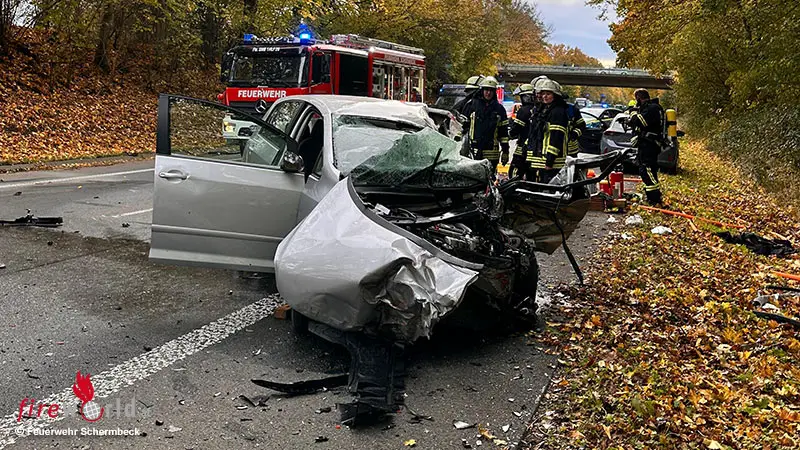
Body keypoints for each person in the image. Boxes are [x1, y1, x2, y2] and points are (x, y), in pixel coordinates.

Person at [524, 79, 569, 184]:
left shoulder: (558, 112)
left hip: (552, 163)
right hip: (539, 161)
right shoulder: (543, 110)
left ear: (555, 95)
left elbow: (556, 138)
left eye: (548, 94)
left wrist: (550, 161)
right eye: (543, 93)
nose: (544, 96)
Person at [462, 76, 509, 174]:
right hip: (474, 150)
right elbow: (462, 126)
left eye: (491, 91)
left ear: (494, 92)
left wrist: (505, 151)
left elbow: (503, 133)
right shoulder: (471, 105)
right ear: (482, 90)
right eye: (486, 90)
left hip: (492, 153)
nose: (488, 93)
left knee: (489, 179)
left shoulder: (499, 109)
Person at [627, 88, 665, 206]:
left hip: (650, 144)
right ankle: (652, 197)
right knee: (648, 170)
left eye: (636, 99)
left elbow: (640, 122)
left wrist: (632, 111)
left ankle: (655, 198)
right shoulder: (652, 108)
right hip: (648, 143)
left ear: (639, 98)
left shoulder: (652, 108)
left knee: (646, 170)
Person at [508, 83, 535, 178]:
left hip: (523, 147)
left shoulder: (523, 110)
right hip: (536, 149)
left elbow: (516, 129)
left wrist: (510, 134)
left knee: (515, 170)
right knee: (531, 174)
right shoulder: (539, 109)